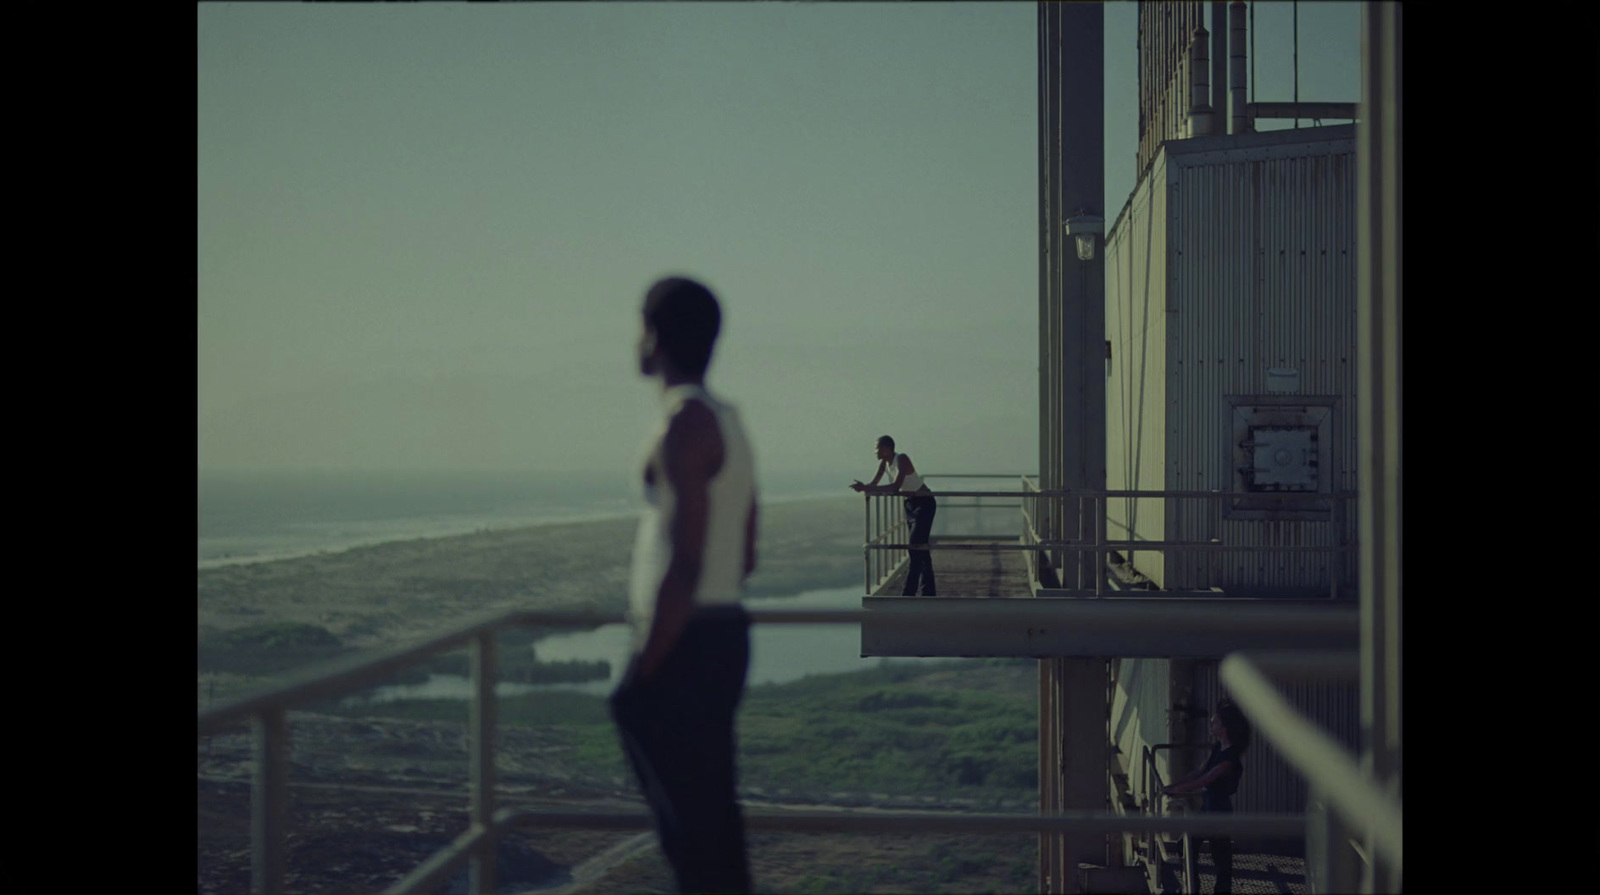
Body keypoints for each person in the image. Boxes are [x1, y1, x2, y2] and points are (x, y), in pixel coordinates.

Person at [608, 276, 758, 894]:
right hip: (716, 637)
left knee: (692, 839)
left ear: (655, 335)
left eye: (640, 325)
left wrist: (647, 664)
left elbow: (686, 562)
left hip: (687, 644)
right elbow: (746, 547)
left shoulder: (685, 424)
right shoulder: (726, 419)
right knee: (711, 827)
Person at [1163, 698, 1252, 894]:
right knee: (1186, 846)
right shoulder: (1218, 749)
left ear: (1225, 727)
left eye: (1216, 721)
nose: (1211, 722)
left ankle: (1216, 891)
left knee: (1221, 859)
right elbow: (1199, 772)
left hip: (1218, 811)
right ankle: (1193, 887)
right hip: (1208, 807)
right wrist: (1173, 785)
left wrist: (1179, 790)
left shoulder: (1230, 758)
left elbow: (1206, 779)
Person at [851, 435, 936, 596]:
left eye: (877, 448)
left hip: (924, 503)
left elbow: (895, 487)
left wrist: (867, 489)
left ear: (886, 449)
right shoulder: (884, 463)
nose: (875, 452)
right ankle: (929, 592)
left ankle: (908, 594)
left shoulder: (901, 459)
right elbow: (874, 484)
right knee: (921, 549)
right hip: (910, 504)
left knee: (914, 546)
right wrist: (863, 487)